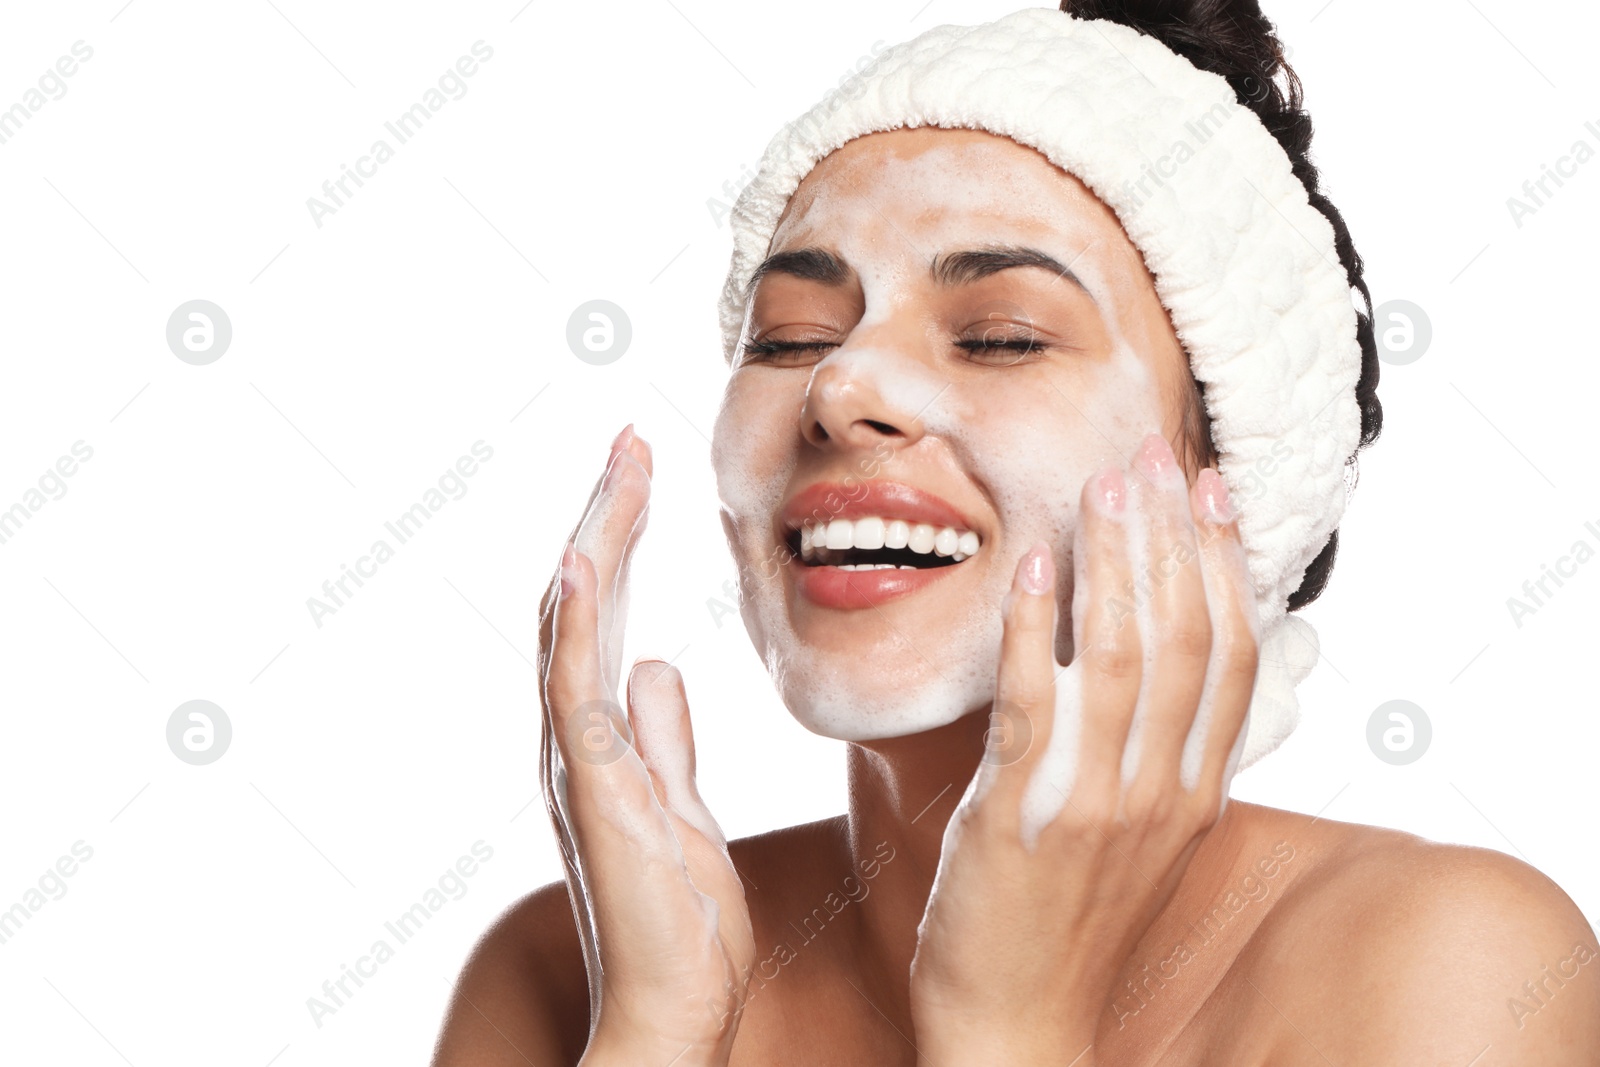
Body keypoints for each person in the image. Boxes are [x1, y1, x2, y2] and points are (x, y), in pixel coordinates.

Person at [432, 4, 1600, 1064]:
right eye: (788, 335)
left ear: (1229, 477)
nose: (840, 388)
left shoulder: (1447, 964)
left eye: (997, 335)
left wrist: (1007, 1028)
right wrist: (657, 1032)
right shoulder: (574, 972)